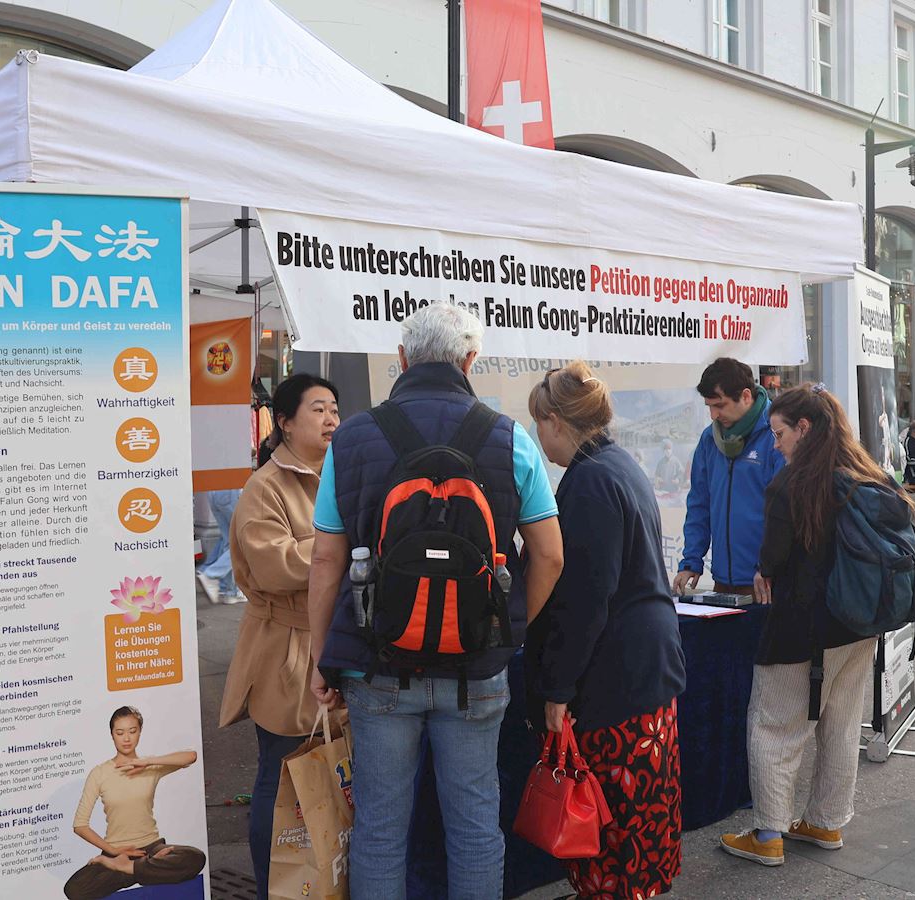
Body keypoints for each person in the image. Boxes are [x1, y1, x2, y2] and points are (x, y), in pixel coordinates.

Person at [307, 302, 565, 900]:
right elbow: (549, 554)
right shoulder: (509, 437)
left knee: (379, 828)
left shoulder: (353, 438)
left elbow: (326, 560)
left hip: (377, 663)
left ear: (400, 360)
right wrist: (507, 626)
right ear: (470, 361)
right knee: (475, 824)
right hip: (477, 667)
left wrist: (324, 657)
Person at [721, 383, 912, 866]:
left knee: (772, 726)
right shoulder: (867, 473)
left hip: (800, 628)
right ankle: (826, 824)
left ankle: (768, 835)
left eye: (780, 433)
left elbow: (773, 558)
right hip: (859, 623)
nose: (776, 443)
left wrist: (764, 570)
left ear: (804, 428)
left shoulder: (792, 484)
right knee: (842, 724)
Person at [526, 361, 686, 899]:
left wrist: (558, 688)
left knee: (616, 810)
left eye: (537, 424)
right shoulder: (618, 464)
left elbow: (585, 601)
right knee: (643, 806)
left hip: (618, 671)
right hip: (645, 662)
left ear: (555, 421)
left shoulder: (590, 482)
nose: (537, 436)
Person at [219, 373, 340, 899]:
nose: (331, 418)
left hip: (334, 643)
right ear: (285, 422)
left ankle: (318, 880)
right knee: (281, 770)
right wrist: (337, 544)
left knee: (330, 772)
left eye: (334, 408)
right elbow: (275, 566)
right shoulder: (265, 486)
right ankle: (274, 886)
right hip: (286, 649)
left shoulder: (341, 473)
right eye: (317, 409)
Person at [65, 707, 206, 900]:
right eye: (120, 732)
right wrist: (113, 852)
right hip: (117, 852)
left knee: (194, 858)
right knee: (75, 889)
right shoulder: (99, 773)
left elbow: (191, 756)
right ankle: (141, 870)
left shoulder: (150, 767)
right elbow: (80, 825)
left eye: (132, 731)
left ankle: (129, 870)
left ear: (140, 732)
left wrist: (147, 762)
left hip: (152, 848)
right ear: (112, 735)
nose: (126, 738)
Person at [673, 358, 783, 596]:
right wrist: (692, 560)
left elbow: (784, 512)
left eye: (720, 405)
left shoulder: (775, 436)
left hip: (765, 583)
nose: (713, 415)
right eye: (709, 406)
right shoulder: (709, 440)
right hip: (723, 582)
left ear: (745, 396)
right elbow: (699, 503)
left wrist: (768, 566)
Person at [196, 489, 245, 604]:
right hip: (232, 489)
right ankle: (212, 575)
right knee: (242, 542)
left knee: (229, 540)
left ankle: (228, 591)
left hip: (214, 491)